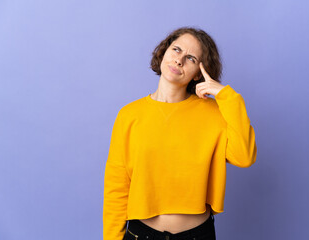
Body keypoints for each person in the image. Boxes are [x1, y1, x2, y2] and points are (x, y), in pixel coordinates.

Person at [103, 27, 257, 240]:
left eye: (191, 58)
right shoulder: (129, 115)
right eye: (176, 50)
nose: (179, 60)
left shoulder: (215, 113)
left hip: (197, 235)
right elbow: (116, 188)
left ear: (199, 74)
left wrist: (227, 96)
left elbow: (244, 157)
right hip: (142, 235)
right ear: (164, 52)